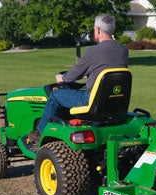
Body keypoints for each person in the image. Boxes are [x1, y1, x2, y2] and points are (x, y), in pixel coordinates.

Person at [29, 13, 129, 143]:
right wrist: (92, 75)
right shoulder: (123, 50)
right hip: (115, 102)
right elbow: (111, 71)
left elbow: (74, 74)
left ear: (98, 30)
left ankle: (40, 133)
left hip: (92, 100)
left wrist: (62, 78)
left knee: (55, 95)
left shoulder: (94, 51)